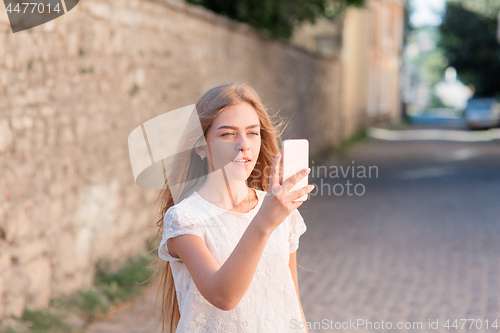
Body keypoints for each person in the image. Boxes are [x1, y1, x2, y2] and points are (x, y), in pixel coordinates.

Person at [154, 82, 314, 332]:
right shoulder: (184, 219)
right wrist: (263, 223)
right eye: (228, 134)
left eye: (252, 132)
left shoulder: (279, 211)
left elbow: (291, 299)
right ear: (199, 145)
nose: (243, 144)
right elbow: (223, 296)